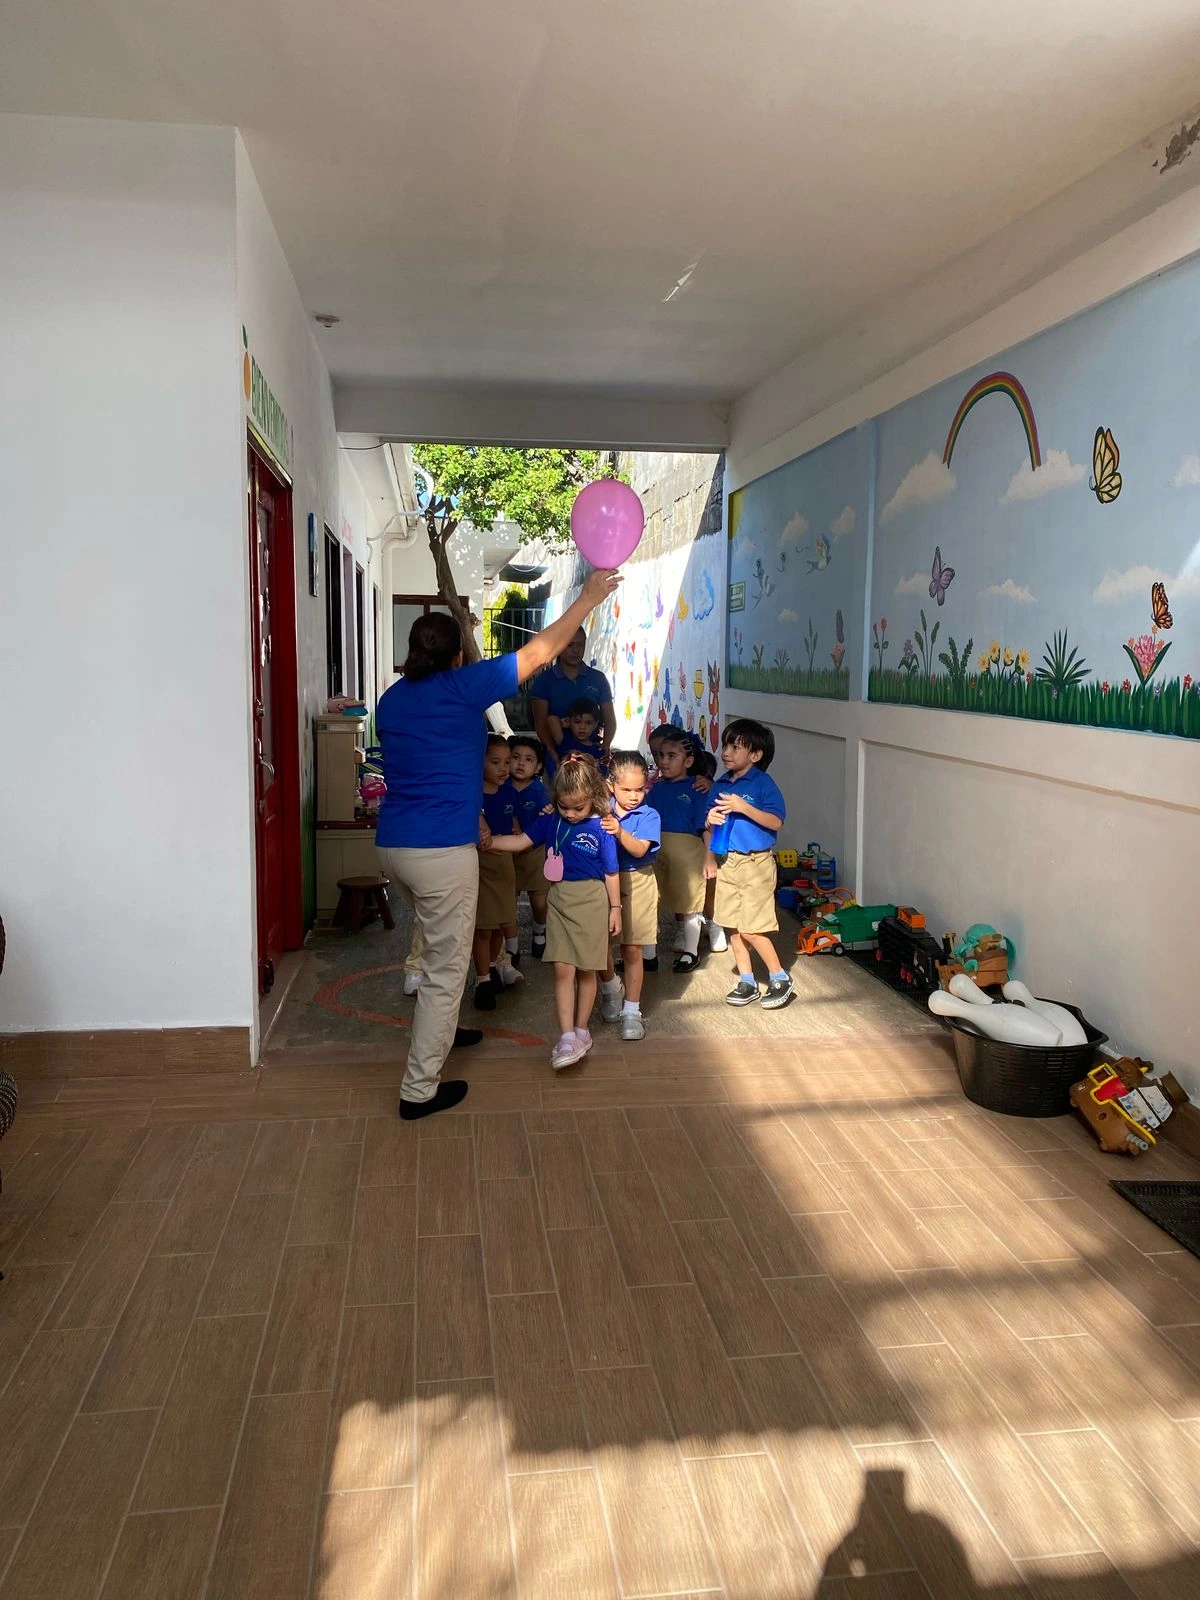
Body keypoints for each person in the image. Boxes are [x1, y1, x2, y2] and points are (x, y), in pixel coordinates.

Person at [375, 567, 620, 1119]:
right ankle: (419, 1090)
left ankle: (443, 1031)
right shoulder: (462, 687)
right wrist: (587, 597)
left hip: (393, 846)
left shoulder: (392, 700)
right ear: (458, 655)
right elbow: (539, 652)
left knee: (437, 953)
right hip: (441, 852)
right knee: (445, 971)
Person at [488, 754, 620, 1070]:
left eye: (578, 808)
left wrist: (615, 908)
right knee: (562, 969)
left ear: (593, 797)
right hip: (559, 900)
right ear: (556, 799)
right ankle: (566, 1036)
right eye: (564, 806)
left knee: (587, 970)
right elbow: (522, 841)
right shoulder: (550, 820)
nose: (570, 813)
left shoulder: (603, 827)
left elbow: (611, 872)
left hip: (592, 901)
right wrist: (489, 841)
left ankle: (581, 1031)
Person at [704, 717, 792, 1010]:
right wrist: (710, 824)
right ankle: (747, 981)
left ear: (755, 755)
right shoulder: (719, 785)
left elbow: (776, 821)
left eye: (735, 747)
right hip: (727, 862)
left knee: (752, 927)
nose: (726, 752)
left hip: (756, 864)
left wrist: (744, 807)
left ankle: (779, 977)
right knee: (732, 925)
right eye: (725, 746)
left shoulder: (763, 784)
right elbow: (708, 827)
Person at [596, 751, 660, 1042]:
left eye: (640, 789)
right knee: (601, 945)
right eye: (626, 790)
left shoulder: (649, 815)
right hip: (602, 881)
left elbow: (639, 849)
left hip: (638, 881)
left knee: (632, 948)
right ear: (611, 786)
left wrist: (619, 831)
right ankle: (611, 988)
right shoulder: (599, 808)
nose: (634, 796)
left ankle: (632, 1009)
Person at [646, 729, 709, 973]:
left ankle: (691, 952)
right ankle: (647, 954)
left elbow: (705, 827)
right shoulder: (656, 789)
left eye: (671, 756)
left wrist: (710, 858)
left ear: (688, 761)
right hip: (656, 852)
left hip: (688, 855)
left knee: (690, 903)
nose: (664, 761)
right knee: (650, 900)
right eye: (661, 755)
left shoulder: (697, 788)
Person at [473, 735, 522, 1011]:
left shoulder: (508, 790)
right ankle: (482, 980)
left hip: (505, 864)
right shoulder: (473, 795)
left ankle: (492, 966)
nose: (504, 768)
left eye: (507, 761)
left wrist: (515, 827)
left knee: (502, 922)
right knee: (483, 926)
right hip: (481, 865)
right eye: (495, 762)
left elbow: (512, 816)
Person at [530, 626, 616, 773]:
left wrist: (606, 744)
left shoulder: (598, 679)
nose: (576, 650)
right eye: (570, 645)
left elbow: (609, 719)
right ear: (559, 645)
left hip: (591, 756)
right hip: (558, 754)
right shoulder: (543, 681)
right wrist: (553, 753)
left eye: (580, 645)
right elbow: (541, 724)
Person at [506, 734, 550, 960]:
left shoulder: (541, 792)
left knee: (539, 901)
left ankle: (539, 931)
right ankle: (511, 945)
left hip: (535, 853)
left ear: (538, 767)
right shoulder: (500, 787)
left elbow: (546, 820)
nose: (521, 763)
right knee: (507, 902)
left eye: (528, 759)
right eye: (515, 757)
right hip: (506, 853)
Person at [557, 697, 607, 769]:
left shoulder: (598, 750)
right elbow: (551, 719)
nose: (582, 727)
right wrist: (567, 723)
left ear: (595, 724)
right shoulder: (566, 740)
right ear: (569, 721)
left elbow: (602, 773)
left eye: (588, 723)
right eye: (577, 722)